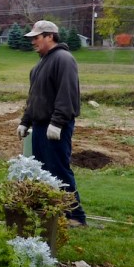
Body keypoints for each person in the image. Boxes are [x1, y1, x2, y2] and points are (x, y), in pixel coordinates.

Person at [17, 20, 88, 226]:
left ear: (50, 36)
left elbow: (67, 94)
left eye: (36, 37)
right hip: (40, 127)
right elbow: (34, 98)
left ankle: (75, 216)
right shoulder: (39, 65)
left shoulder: (63, 59)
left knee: (58, 170)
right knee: (42, 171)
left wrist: (57, 122)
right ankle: (51, 212)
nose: (33, 42)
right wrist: (25, 121)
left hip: (55, 127)